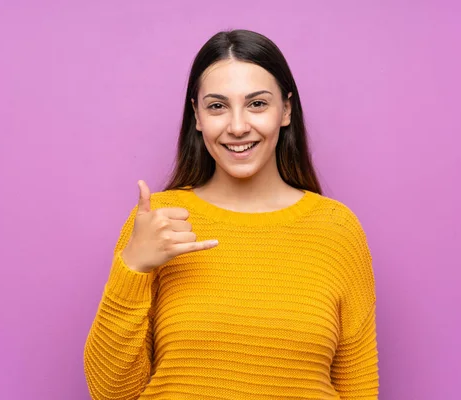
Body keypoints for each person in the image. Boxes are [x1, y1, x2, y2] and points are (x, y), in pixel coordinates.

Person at [83, 29, 379, 399]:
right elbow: (111, 393)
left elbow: (358, 387)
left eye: (257, 104)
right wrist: (133, 267)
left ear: (286, 110)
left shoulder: (336, 229)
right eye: (217, 106)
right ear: (197, 116)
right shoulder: (159, 220)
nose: (238, 127)